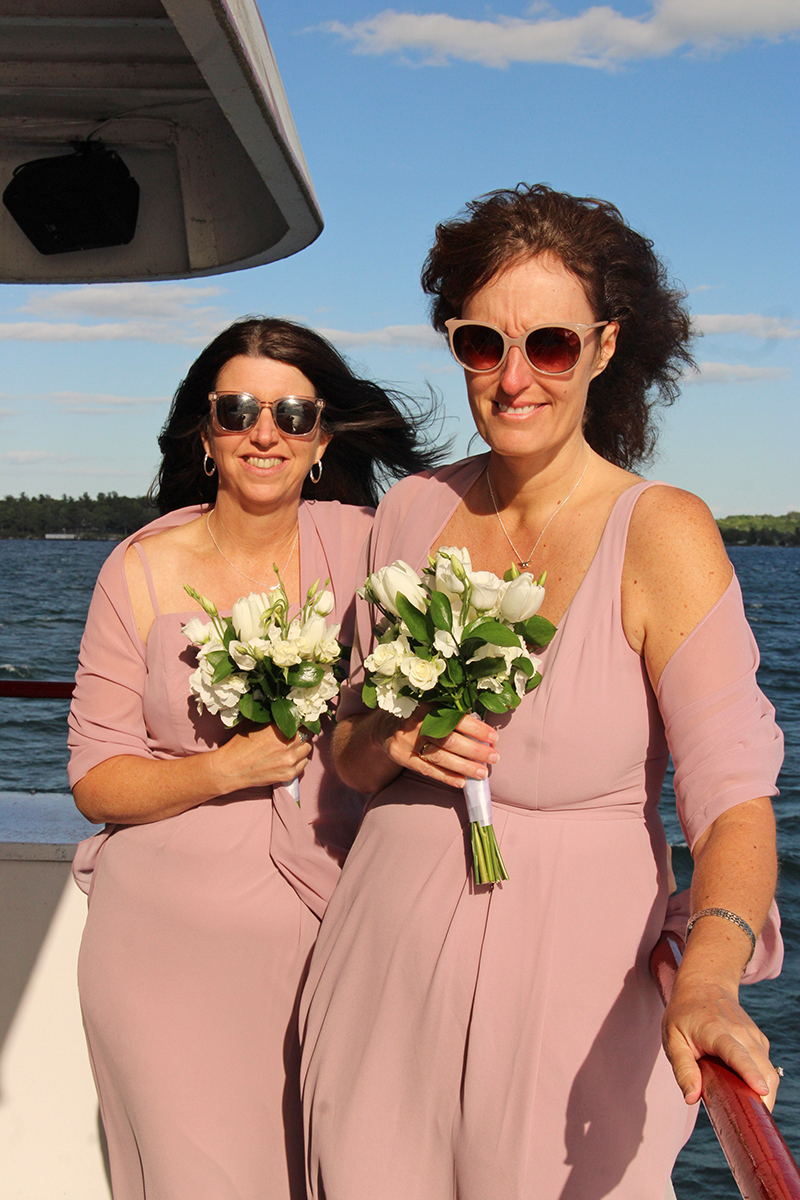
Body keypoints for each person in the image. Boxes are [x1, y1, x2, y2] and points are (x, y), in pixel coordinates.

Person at [299, 186, 785, 1200]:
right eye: (483, 344)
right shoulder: (412, 511)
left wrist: (705, 980)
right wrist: (389, 737)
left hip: (573, 996)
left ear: (603, 348)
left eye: (550, 346)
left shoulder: (661, 532)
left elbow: (733, 804)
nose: (513, 378)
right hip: (381, 970)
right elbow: (344, 748)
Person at [67, 317, 441, 1200]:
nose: (263, 433)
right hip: (164, 955)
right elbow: (95, 779)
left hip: (338, 938)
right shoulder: (138, 569)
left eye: (291, 414)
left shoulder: (373, 551)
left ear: (321, 440)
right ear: (206, 435)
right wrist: (223, 770)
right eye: (237, 411)